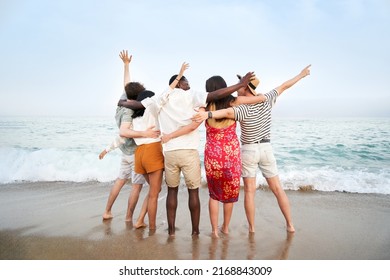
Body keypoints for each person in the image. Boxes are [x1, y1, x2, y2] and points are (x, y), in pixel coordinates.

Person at [121, 66, 255, 236]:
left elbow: (136, 103)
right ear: (179, 83)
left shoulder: (161, 98)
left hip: (170, 152)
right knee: (194, 192)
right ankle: (195, 232)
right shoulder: (193, 97)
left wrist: (122, 102)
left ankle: (170, 231)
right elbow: (216, 95)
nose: (189, 84)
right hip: (189, 152)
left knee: (172, 191)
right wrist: (240, 85)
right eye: (186, 81)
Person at [192, 65, 312, 233]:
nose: (238, 88)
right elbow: (284, 86)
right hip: (266, 148)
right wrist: (301, 75)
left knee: (249, 192)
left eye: (241, 86)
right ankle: (290, 225)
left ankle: (252, 228)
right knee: (278, 189)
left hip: (248, 150)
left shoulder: (240, 108)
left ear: (246, 88)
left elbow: (225, 112)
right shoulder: (267, 99)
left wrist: (208, 114)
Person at [100, 50, 159, 227]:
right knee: (137, 186)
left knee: (120, 180)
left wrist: (126, 66)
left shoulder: (123, 100)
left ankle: (107, 211)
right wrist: (145, 134)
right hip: (134, 152)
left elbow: (127, 86)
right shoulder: (130, 110)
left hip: (124, 151)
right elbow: (124, 132)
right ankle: (129, 218)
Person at [203, 75, 267, 238]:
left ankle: (215, 231)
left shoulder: (204, 106)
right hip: (231, 155)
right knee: (229, 195)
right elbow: (258, 99)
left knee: (214, 195)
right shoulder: (234, 102)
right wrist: (248, 88)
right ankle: (225, 227)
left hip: (212, 156)